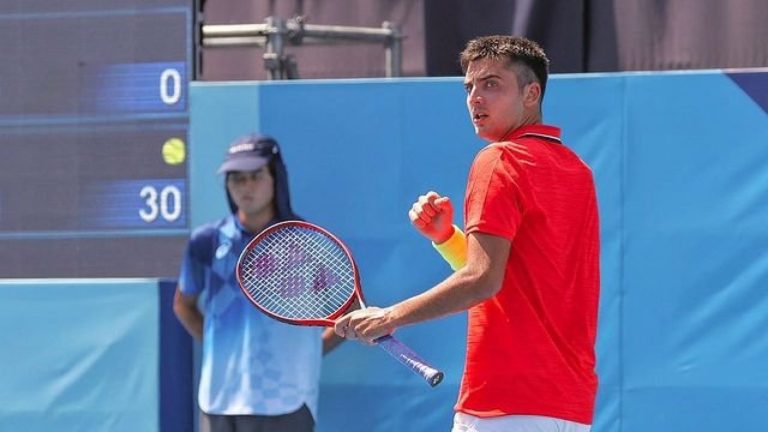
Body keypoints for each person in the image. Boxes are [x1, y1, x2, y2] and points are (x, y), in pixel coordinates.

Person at [335, 35, 600, 432]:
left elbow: (482, 280)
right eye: (469, 87)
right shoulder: (578, 170)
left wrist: (389, 316)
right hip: (569, 409)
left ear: (531, 94)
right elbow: (510, 278)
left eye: (491, 84)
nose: (475, 97)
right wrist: (447, 239)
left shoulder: (498, 159)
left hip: (504, 405)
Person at [174, 134, 344, 432]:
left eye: (256, 176)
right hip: (218, 403)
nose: (246, 186)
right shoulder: (206, 241)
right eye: (237, 178)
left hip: (288, 402)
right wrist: (220, 348)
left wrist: (307, 357)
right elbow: (183, 305)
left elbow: (346, 315)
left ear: (275, 178)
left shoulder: (307, 242)